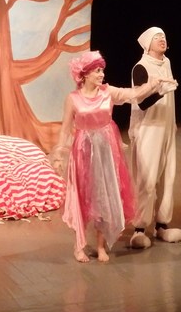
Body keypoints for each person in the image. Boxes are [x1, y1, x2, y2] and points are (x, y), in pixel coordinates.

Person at [49, 50, 174, 263]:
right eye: (97, 71)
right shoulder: (73, 99)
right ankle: (79, 245)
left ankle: (101, 246)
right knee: (82, 197)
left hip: (105, 152)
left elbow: (132, 94)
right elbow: (65, 129)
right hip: (83, 152)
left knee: (103, 198)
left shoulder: (107, 92)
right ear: (85, 74)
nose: (102, 74)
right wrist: (60, 154)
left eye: (102, 70)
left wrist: (154, 83)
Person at [128, 26, 181, 249]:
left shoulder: (166, 63)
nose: (162, 39)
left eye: (164, 36)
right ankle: (139, 228)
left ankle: (162, 224)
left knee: (167, 176)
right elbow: (140, 102)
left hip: (166, 127)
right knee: (147, 179)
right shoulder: (141, 67)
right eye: (157, 37)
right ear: (147, 43)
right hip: (148, 128)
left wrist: (173, 123)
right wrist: (160, 91)